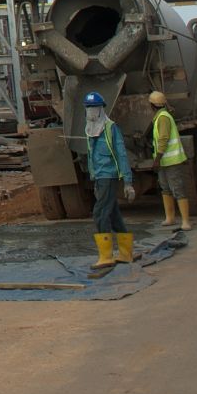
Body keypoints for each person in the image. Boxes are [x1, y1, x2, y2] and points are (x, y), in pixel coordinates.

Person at [84, 91, 134, 267]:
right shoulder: (90, 129)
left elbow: (121, 153)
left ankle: (106, 256)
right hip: (99, 177)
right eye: (88, 108)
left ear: (101, 109)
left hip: (109, 175)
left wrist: (127, 181)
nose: (90, 111)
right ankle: (125, 253)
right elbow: (91, 156)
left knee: (100, 213)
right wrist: (93, 176)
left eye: (93, 108)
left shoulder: (110, 128)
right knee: (113, 215)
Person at [149, 90, 193, 232]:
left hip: (171, 160)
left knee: (177, 189)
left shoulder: (163, 118)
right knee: (165, 188)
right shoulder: (160, 116)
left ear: (152, 105)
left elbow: (163, 139)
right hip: (165, 161)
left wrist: (157, 159)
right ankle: (170, 218)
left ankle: (185, 221)